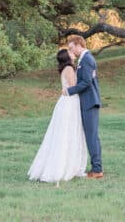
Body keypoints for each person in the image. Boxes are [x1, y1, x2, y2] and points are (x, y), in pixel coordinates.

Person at [27, 49, 88, 186]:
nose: (72, 53)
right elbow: (73, 87)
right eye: (70, 52)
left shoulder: (65, 69)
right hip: (70, 102)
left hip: (65, 101)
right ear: (67, 57)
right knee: (68, 132)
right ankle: (64, 167)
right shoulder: (69, 69)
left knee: (62, 133)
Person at [64, 35, 103, 178]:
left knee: (92, 137)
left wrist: (69, 91)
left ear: (78, 44)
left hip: (90, 102)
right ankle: (96, 167)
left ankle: (97, 169)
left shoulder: (87, 59)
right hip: (86, 102)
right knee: (90, 136)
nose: (71, 51)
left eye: (71, 48)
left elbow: (86, 82)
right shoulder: (84, 59)